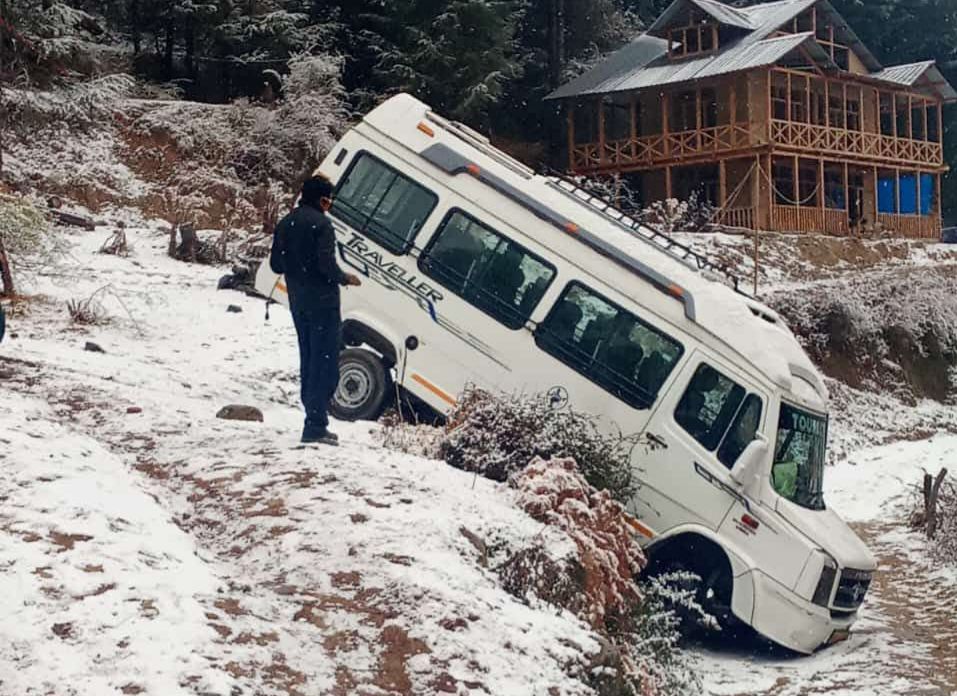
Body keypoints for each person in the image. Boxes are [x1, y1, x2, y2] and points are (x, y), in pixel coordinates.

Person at [270, 176, 362, 446]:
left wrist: (296, 266)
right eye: (329, 198)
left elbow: (276, 265)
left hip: (298, 302)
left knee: (308, 358)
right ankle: (315, 424)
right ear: (322, 199)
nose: (330, 204)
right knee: (325, 362)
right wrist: (345, 278)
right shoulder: (322, 224)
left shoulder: (286, 222)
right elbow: (326, 265)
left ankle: (313, 419)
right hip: (323, 304)